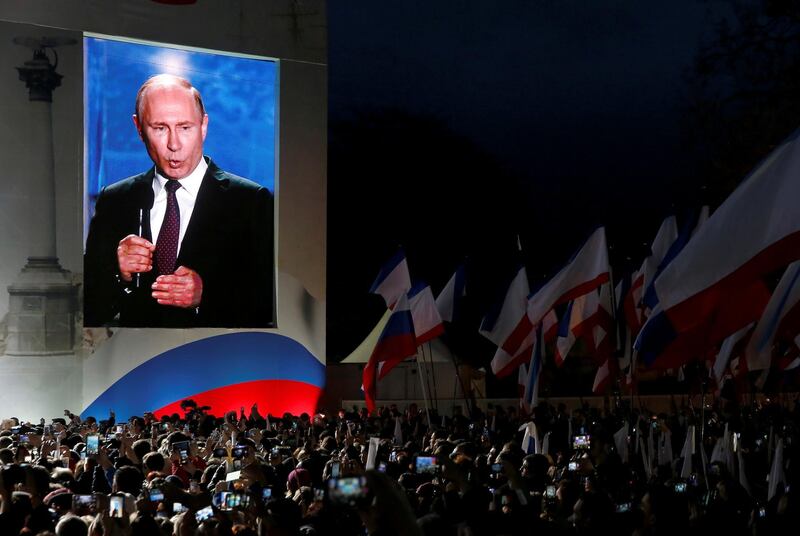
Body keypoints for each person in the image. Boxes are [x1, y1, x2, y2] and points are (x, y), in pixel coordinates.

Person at [84, 74, 274, 328]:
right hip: (135, 363)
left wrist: (205, 296)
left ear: (203, 126)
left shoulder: (251, 201)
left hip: (215, 360)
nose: (174, 144)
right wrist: (118, 271)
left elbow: (268, 307)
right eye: (160, 128)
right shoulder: (115, 200)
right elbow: (87, 311)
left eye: (185, 127)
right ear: (139, 128)